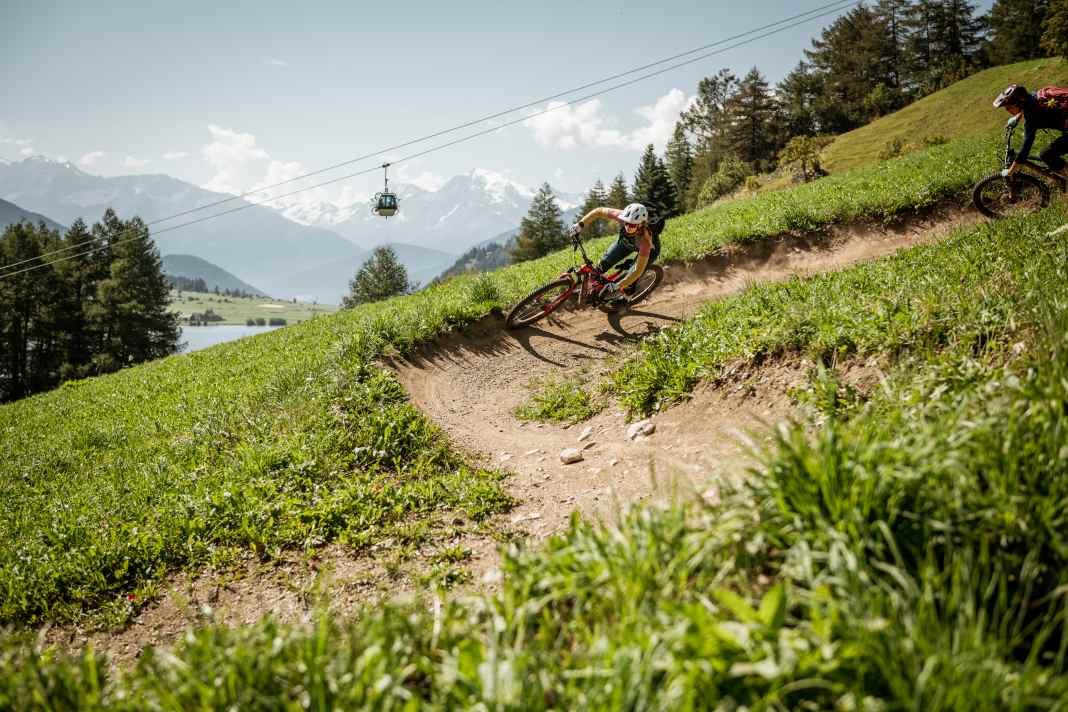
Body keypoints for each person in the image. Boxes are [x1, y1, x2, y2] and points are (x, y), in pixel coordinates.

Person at [567, 202, 663, 306]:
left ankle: (627, 299)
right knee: (599, 268)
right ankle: (592, 290)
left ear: (641, 224)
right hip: (625, 243)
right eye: (626, 223)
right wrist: (579, 225)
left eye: (632, 225)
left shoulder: (645, 241)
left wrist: (617, 286)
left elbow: (638, 271)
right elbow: (599, 211)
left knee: (631, 279)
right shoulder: (622, 216)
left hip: (649, 251)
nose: (628, 227)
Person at [993, 84, 1068, 181]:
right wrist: (1017, 117)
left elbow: (1025, 150)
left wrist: (1011, 171)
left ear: (1018, 103)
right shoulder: (1034, 96)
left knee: (1047, 154)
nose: (1007, 110)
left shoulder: (1032, 119)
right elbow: (1029, 106)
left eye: (1008, 107)